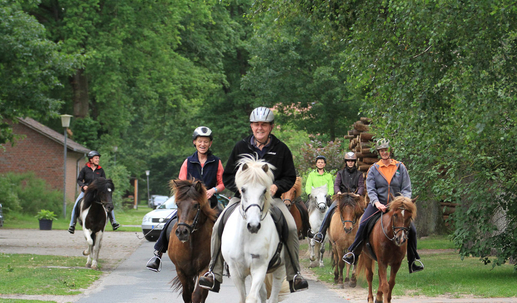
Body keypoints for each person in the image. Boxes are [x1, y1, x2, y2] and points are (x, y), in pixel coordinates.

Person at [198, 107, 309, 293]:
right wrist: (241, 191)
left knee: (290, 227)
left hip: (272, 200)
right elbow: (227, 176)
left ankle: (294, 275)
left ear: (271, 127)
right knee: (218, 225)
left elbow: (290, 176)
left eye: (264, 125)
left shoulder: (281, 149)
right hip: (242, 199)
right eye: (257, 124)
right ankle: (213, 273)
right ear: (251, 126)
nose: (260, 128)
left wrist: (277, 187)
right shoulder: (240, 147)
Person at [146, 126, 224, 272]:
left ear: (210, 144)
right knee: (171, 221)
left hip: (209, 203)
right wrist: (190, 191)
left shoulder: (216, 162)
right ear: (195, 142)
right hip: (190, 203)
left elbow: (222, 183)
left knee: (224, 223)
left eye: (206, 141)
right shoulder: (188, 162)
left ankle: (225, 258)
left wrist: (213, 190)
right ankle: (158, 253)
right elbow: (181, 183)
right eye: (200, 141)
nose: (203, 144)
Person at [341, 140, 424, 273]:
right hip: (378, 204)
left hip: (397, 205)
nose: (384, 152)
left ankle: (413, 260)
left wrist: (403, 201)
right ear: (379, 152)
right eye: (381, 150)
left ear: (390, 151)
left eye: (386, 149)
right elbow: (371, 188)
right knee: (363, 223)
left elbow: (407, 188)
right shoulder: (374, 168)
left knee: (412, 230)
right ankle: (353, 253)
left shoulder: (400, 167)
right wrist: (377, 203)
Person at [313, 151, 365, 243]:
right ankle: (321, 233)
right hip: (343, 198)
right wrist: (338, 192)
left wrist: (359, 194)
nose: (350, 162)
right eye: (348, 160)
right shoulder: (340, 173)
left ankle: (366, 236)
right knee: (330, 211)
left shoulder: (359, 174)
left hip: (354, 199)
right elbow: (336, 185)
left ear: (354, 162)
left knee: (365, 213)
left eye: (352, 161)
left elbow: (361, 186)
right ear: (346, 161)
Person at [68, 151, 120, 234]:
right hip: (86, 193)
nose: (98, 160)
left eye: (98, 158)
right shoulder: (85, 169)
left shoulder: (100, 170)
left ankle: (113, 222)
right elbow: (79, 180)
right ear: (91, 159)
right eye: (96, 158)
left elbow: (104, 181)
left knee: (109, 203)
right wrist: (83, 186)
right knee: (76, 205)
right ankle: (72, 225)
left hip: (97, 194)